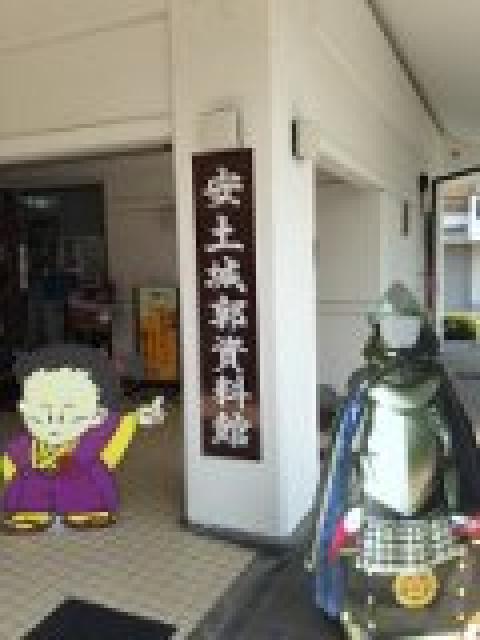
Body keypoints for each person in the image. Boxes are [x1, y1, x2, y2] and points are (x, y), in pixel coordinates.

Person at [0, 343, 165, 532]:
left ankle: (87, 509)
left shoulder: (91, 444)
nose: (54, 418)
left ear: (98, 415)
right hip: (33, 489)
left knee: (86, 480)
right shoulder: (25, 447)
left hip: (83, 486)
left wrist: (137, 419)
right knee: (30, 484)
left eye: (69, 409)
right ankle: (30, 512)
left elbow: (115, 439)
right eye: (42, 408)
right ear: (23, 408)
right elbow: (9, 462)